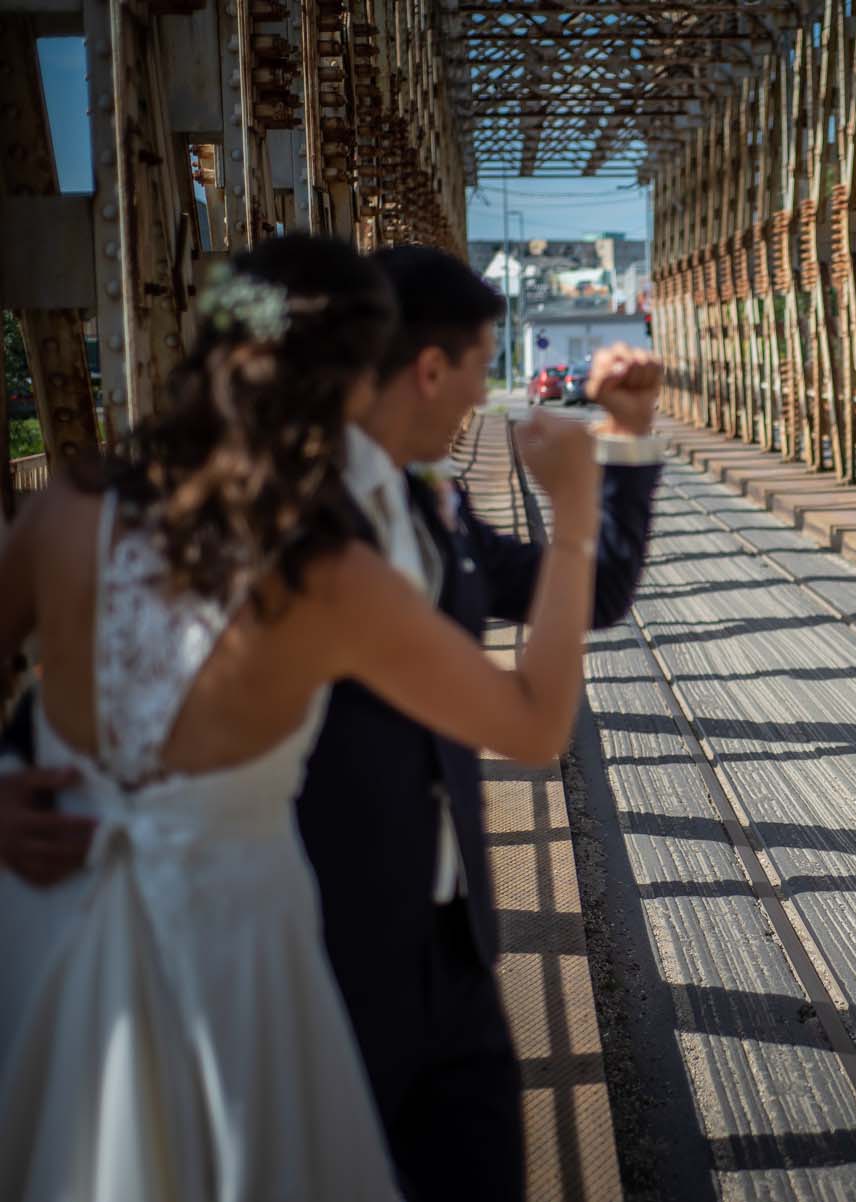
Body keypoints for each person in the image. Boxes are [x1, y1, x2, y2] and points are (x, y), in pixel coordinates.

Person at [0, 235, 602, 1201]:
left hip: (45, 929)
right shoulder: (324, 579)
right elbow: (532, 726)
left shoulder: (70, 511)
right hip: (235, 964)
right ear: (353, 382)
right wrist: (574, 522)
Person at [290, 245, 661, 1202]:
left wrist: (626, 440)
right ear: (428, 369)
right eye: (479, 368)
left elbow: (583, 596)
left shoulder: (431, 501)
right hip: (320, 953)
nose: (480, 400)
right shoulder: (292, 523)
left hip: (452, 940)